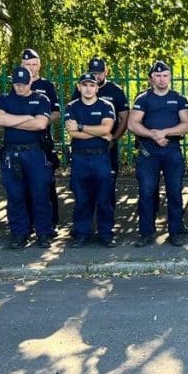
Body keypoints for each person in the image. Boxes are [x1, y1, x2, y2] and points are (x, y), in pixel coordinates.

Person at [128, 61, 188, 247]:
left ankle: (176, 232)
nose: (162, 79)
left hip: (171, 150)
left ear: (170, 77)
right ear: (151, 78)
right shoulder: (143, 99)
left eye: (165, 75)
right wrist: (153, 135)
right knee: (147, 192)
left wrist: (164, 133)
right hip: (149, 151)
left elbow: (187, 125)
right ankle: (146, 233)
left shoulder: (178, 99)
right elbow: (133, 124)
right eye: (158, 75)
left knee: (175, 192)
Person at [0, 66, 54, 249]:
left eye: (24, 84)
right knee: (15, 195)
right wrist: (27, 117)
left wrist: (14, 121)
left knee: (40, 194)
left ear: (31, 82)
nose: (20, 88)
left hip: (35, 153)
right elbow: (1, 121)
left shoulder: (41, 99)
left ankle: (43, 233)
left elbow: (40, 124)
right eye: (17, 84)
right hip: (12, 153)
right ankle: (19, 233)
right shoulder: (4, 99)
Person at [65, 73, 117, 247]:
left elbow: (107, 128)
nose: (88, 88)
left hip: (100, 157)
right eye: (85, 85)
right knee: (81, 198)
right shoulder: (72, 107)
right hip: (79, 157)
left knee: (104, 198)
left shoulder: (106, 106)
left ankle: (106, 233)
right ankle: (81, 234)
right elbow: (72, 133)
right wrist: (99, 132)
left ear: (97, 87)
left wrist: (81, 127)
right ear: (79, 87)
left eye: (92, 85)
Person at [70, 56, 129, 205]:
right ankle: (84, 224)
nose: (96, 76)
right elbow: (72, 125)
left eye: (100, 73)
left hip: (107, 146)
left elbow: (124, 118)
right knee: (83, 190)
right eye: (93, 73)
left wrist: (114, 138)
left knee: (107, 188)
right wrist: (98, 132)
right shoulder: (80, 90)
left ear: (106, 72)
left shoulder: (115, 90)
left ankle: (106, 225)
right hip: (82, 148)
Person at [21, 48, 63, 231]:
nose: (31, 68)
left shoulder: (47, 85)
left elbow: (56, 112)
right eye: (27, 65)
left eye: (34, 64)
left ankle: (50, 222)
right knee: (24, 184)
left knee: (46, 182)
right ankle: (28, 222)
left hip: (42, 139)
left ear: (39, 65)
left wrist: (41, 122)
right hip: (22, 140)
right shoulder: (17, 84)